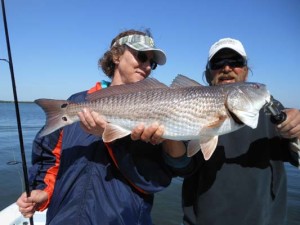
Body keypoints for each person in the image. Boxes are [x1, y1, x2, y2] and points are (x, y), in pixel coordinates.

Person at [17, 29, 191, 225]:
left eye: (152, 63)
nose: (147, 66)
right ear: (116, 56)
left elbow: (158, 179)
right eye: (141, 56)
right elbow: (49, 158)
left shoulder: (165, 109)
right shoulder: (77, 102)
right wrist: (42, 192)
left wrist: (116, 139)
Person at [181, 38, 300, 225]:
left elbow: (297, 156)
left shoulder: (273, 110)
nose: (226, 68)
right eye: (217, 63)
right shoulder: (187, 107)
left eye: (235, 62)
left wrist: (297, 132)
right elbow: (180, 166)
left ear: (246, 70)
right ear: (207, 72)